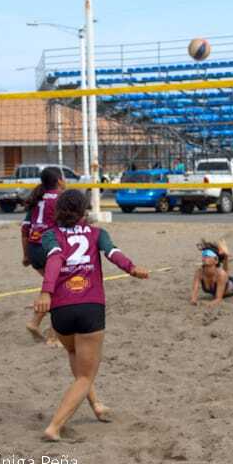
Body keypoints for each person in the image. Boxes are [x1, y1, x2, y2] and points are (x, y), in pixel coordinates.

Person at [33, 189, 149, 441]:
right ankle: (54, 427)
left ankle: (96, 405)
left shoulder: (50, 235)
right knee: (86, 375)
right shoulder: (97, 234)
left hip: (61, 309)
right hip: (89, 306)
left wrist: (46, 292)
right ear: (83, 211)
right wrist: (132, 268)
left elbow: (54, 260)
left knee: (75, 354)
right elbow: (113, 253)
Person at [22, 167, 66, 343]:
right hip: (49, 248)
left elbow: (24, 230)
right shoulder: (61, 199)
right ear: (59, 181)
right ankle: (53, 334)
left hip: (34, 249)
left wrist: (26, 255)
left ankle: (36, 323)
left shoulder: (37, 198)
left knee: (53, 286)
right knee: (60, 288)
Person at [191, 239, 233, 307]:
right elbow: (194, 291)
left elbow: (218, 299)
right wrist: (193, 300)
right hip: (223, 280)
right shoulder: (199, 273)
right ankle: (226, 256)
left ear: (216, 260)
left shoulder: (221, 274)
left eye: (208, 255)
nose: (205, 257)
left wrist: (208, 304)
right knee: (224, 274)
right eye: (203, 254)